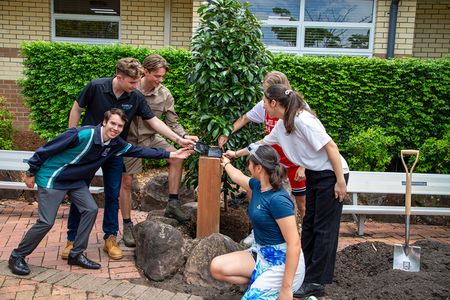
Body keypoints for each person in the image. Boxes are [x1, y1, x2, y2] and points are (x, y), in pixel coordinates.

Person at [8, 108, 192, 276]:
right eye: (113, 123)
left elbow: (139, 150)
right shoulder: (81, 134)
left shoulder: (115, 144)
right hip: (53, 178)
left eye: (120, 126)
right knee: (46, 222)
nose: (116, 128)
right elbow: (47, 149)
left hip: (75, 180)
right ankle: (17, 256)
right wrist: (31, 171)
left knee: (90, 209)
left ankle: (76, 253)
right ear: (104, 122)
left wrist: (171, 154)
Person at [64, 57, 195, 260]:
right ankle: (71, 240)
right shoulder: (96, 87)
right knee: (79, 191)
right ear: (120, 77)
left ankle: (110, 238)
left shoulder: (134, 97)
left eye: (137, 81)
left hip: (115, 150)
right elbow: (77, 108)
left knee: (112, 194)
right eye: (133, 82)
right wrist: (72, 137)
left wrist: (180, 139)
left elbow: (154, 122)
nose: (136, 86)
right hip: (90, 149)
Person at [227, 84, 349, 298]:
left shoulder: (303, 120)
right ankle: (306, 273)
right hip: (315, 172)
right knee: (310, 222)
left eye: (265, 102)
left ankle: (316, 281)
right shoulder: (283, 124)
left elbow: (331, 147)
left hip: (331, 174)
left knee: (324, 228)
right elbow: (261, 144)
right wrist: (234, 154)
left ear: (274, 103)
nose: (263, 107)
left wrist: (340, 181)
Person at [119, 54, 198, 247]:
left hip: (151, 137)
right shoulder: (130, 86)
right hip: (129, 140)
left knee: (177, 157)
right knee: (127, 182)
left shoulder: (164, 94)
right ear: (145, 72)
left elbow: (172, 121)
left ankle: (172, 202)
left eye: (162, 77)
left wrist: (184, 137)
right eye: (157, 76)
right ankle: (128, 225)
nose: (160, 81)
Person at [210, 144, 305, 300]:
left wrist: (286, 288)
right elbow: (237, 176)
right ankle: (263, 286)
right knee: (217, 267)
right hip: (261, 253)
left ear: (259, 168)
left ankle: (281, 292)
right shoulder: (258, 185)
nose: (248, 166)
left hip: (281, 262)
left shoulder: (278, 200)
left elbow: (294, 243)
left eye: (250, 163)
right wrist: (226, 163)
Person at [218, 71, 307, 219]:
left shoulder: (298, 109)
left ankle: (302, 238)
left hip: (294, 162)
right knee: (257, 190)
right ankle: (258, 229)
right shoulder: (265, 106)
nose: (264, 96)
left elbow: (310, 140)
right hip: (273, 161)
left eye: (267, 91)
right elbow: (250, 124)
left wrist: (303, 165)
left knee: (301, 204)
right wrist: (228, 134)